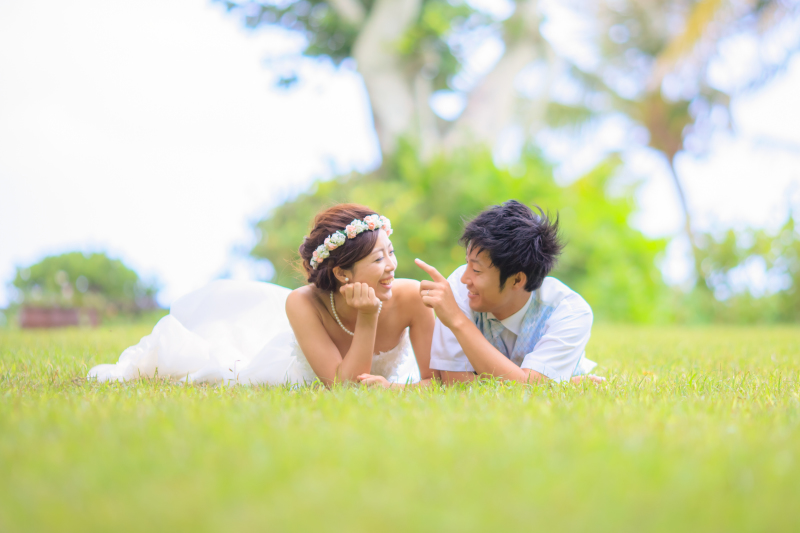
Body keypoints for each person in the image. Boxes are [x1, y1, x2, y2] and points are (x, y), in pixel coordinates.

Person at [88, 204, 435, 387]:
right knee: (219, 367)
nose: (392, 265)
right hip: (289, 373)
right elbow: (347, 389)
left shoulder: (412, 297)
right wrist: (369, 316)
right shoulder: (303, 303)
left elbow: (437, 382)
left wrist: (395, 390)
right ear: (343, 273)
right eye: (378, 258)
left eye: (390, 252)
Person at [414, 200, 600, 385]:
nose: (464, 278)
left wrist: (458, 321)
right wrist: (559, 385)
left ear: (517, 280)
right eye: (467, 263)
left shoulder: (569, 312)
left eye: (477, 270)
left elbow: (529, 390)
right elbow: (455, 382)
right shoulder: (458, 289)